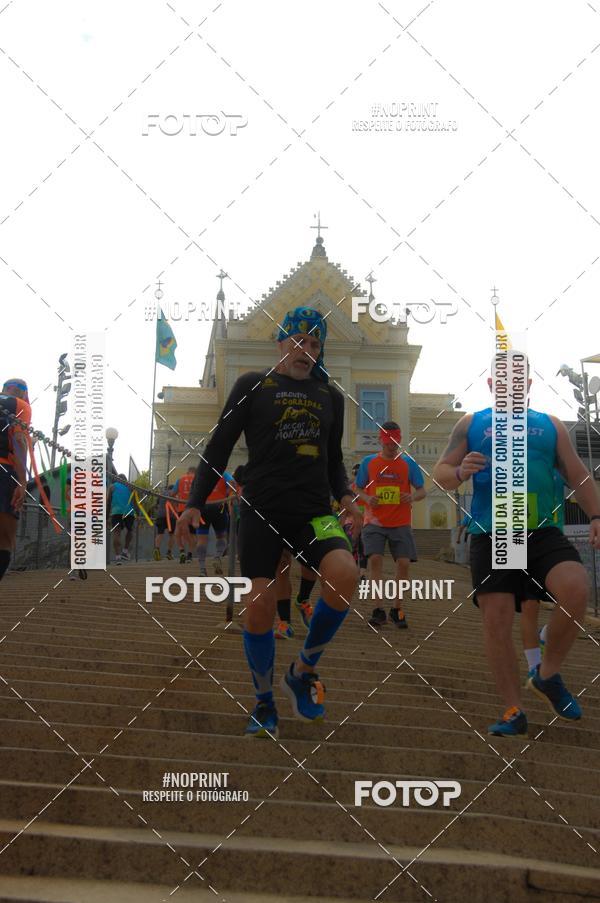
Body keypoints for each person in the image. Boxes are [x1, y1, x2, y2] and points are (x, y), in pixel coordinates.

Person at [176, 306, 362, 738]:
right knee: (258, 606)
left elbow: (333, 461)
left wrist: (347, 496)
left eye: (314, 344)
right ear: (280, 343)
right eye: (298, 341)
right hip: (261, 510)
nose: (306, 350)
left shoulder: (330, 396)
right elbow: (218, 447)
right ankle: (264, 703)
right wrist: (193, 503)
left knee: (346, 573)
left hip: (315, 512)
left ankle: (302, 671)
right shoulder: (252, 385)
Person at [432, 355, 600, 737]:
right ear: (492, 385)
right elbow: (441, 474)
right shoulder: (472, 423)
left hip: (541, 529)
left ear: (527, 385)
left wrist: (596, 516)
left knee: (575, 589)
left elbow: (576, 473)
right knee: (498, 619)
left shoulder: (549, 425)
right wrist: (459, 471)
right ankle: (513, 710)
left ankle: (547, 673)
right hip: (494, 530)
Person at [355, 422, 426, 629]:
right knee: (375, 560)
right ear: (381, 440)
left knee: (403, 564)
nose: (391, 447)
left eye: (394, 443)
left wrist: (411, 496)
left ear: (399, 441)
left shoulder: (408, 464)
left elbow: (422, 491)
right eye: (388, 443)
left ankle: (397, 609)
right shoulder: (368, 462)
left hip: (401, 522)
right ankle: (378, 610)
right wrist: (367, 499)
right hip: (374, 521)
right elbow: (358, 489)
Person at [0, 379, 31, 581]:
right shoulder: (20, 405)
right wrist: (22, 481)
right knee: (4, 538)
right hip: (3, 469)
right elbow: (19, 440)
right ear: (22, 393)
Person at [107, 475, 135, 564]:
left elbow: (108, 502)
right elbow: (134, 501)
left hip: (116, 512)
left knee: (117, 532)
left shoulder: (112, 487)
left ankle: (118, 557)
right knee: (130, 530)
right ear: (125, 480)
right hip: (129, 512)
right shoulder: (130, 487)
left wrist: (106, 517)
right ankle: (125, 551)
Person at [173, 466, 197, 564]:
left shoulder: (180, 480)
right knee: (193, 533)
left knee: (179, 532)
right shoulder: (198, 480)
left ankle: (182, 550)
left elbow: (172, 494)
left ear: (187, 472)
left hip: (182, 509)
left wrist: (176, 507)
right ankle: (190, 555)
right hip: (194, 509)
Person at [153, 484, 175, 561]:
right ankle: (169, 553)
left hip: (160, 516)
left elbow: (156, 505)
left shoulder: (162, 493)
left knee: (160, 533)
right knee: (172, 535)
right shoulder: (174, 493)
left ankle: (157, 549)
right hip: (171, 516)